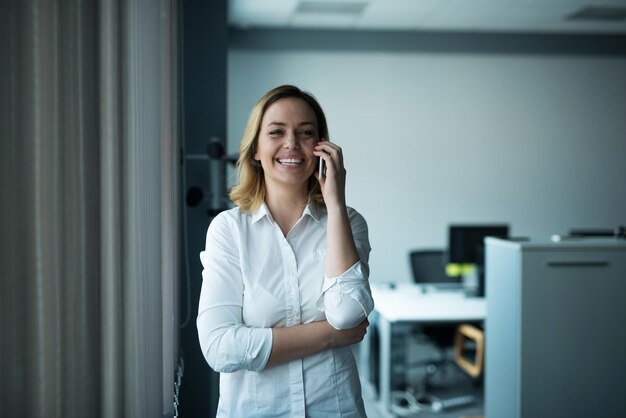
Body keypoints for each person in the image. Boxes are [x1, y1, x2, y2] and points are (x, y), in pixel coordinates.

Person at [197, 85, 374, 417]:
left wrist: (335, 204)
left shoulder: (350, 222)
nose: (292, 143)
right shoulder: (229, 230)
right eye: (277, 132)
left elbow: (348, 314)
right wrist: (329, 336)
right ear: (255, 150)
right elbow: (219, 348)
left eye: (306, 133)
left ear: (322, 148)